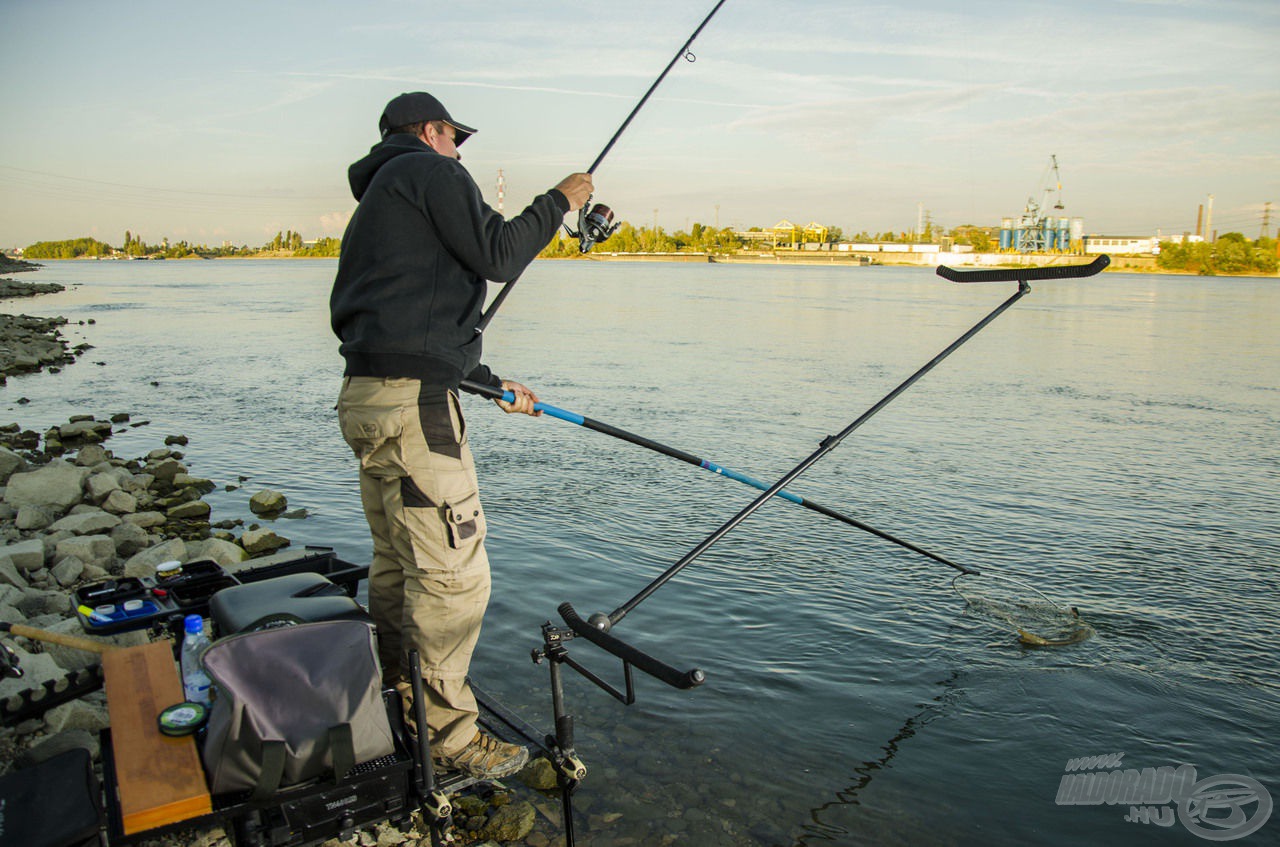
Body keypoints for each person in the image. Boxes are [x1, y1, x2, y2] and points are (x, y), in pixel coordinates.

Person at [330, 91, 592, 779]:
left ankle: (393, 690)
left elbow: (417, 320)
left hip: (366, 397)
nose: (460, 154)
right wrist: (559, 200)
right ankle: (447, 736)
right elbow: (501, 253)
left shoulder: (380, 200)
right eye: (456, 138)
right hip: (413, 406)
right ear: (430, 130)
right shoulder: (431, 172)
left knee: (396, 560)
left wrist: (490, 382)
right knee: (454, 577)